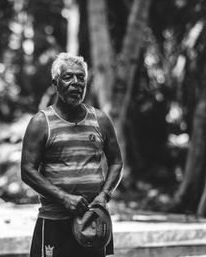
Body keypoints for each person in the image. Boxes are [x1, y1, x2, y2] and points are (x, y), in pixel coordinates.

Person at [21, 52, 123, 257]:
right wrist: (64, 198)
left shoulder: (100, 120)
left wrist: (104, 195)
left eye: (81, 78)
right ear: (55, 83)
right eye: (68, 77)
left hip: (92, 221)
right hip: (54, 221)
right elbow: (27, 171)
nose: (76, 83)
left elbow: (116, 162)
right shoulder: (41, 123)